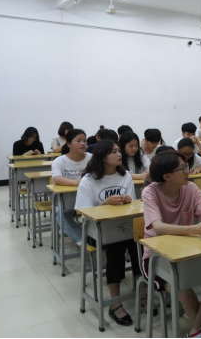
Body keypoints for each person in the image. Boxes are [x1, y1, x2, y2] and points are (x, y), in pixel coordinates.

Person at [143, 151, 201, 338]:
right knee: (185, 292)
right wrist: (195, 229)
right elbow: (158, 228)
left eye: (186, 166)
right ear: (167, 176)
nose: (187, 171)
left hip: (187, 253)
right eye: (182, 168)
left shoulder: (191, 188)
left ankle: (195, 331)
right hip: (157, 259)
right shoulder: (150, 192)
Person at [75, 140, 141, 327]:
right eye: (114, 152)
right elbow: (82, 215)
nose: (119, 154)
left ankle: (143, 292)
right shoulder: (88, 180)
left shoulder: (125, 175)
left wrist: (127, 200)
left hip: (124, 226)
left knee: (141, 245)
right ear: (103, 157)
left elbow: (133, 207)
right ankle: (115, 303)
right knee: (115, 249)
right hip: (97, 232)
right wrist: (105, 204)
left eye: (119, 151)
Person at [51, 129, 92, 247]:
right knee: (58, 212)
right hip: (68, 200)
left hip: (89, 199)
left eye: (84, 141)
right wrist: (76, 183)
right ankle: (82, 239)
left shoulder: (92, 158)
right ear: (68, 144)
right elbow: (57, 179)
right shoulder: (60, 161)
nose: (83, 143)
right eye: (78, 141)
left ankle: (97, 237)